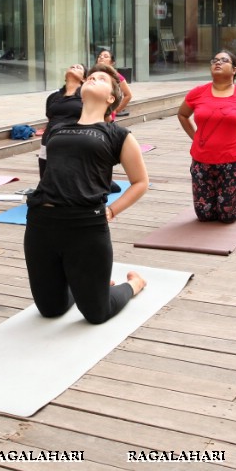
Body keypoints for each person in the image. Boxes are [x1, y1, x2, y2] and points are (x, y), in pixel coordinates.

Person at [25, 64, 149, 324]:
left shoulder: (118, 134)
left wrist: (112, 210)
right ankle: (85, 284)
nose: (92, 78)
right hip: (41, 224)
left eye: (101, 78)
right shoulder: (58, 129)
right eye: (90, 76)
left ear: (111, 98)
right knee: (50, 310)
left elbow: (140, 182)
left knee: (96, 314)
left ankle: (132, 285)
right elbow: (48, 172)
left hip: (85, 227)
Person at [177, 50, 236, 223]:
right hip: (202, 160)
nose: (217, 63)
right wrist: (195, 137)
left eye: (224, 60)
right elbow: (183, 115)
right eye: (214, 60)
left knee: (227, 216)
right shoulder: (197, 92)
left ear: (234, 69)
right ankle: (224, 199)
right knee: (205, 215)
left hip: (232, 161)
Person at [39, 62, 86, 178]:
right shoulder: (53, 97)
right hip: (50, 138)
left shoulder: (86, 96)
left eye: (78, 68)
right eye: (72, 66)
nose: (74, 67)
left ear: (84, 79)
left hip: (73, 139)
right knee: (45, 174)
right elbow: (50, 118)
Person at [95, 49, 132, 119]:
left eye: (105, 56)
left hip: (107, 114)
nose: (101, 57)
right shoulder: (93, 74)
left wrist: (116, 110)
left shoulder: (116, 76)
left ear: (112, 62)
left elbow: (128, 95)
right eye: (100, 56)